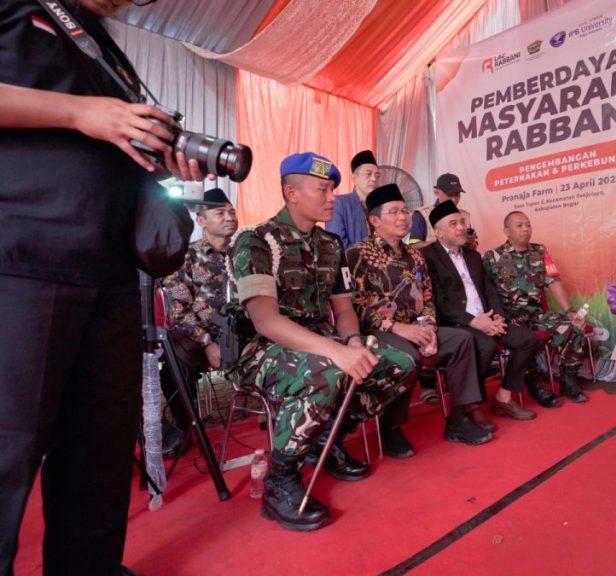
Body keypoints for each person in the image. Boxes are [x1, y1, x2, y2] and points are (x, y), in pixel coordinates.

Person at [0, 0, 211, 573]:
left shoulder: (102, 44)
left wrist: (163, 159)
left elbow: (110, 146)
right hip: (21, 261)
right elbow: (83, 121)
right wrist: (82, 113)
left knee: (99, 452)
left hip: (113, 273)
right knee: (7, 451)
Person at [230, 152, 416, 531]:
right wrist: (335, 352)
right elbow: (265, 321)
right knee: (327, 371)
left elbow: (344, 310)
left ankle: (324, 441)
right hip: (263, 348)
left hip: (323, 340)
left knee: (400, 363)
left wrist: (351, 342)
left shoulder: (330, 244)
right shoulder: (257, 240)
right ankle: (279, 482)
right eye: (322, 190)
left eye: (333, 189)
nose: (332, 197)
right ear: (292, 193)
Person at [346, 184, 495, 455]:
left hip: (417, 328)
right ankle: (390, 425)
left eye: (405, 211)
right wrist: (398, 327)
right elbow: (356, 305)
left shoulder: (415, 255)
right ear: (375, 220)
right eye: (394, 212)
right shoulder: (357, 253)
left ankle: (459, 419)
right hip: (379, 330)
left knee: (463, 340)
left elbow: (427, 296)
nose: (403, 217)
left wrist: (427, 326)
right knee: (409, 355)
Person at [421, 201, 544, 421]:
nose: (461, 227)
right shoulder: (428, 257)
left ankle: (503, 398)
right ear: (438, 232)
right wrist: (473, 322)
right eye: (453, 224)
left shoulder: (473, 256)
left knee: (527, 339)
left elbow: (490, 290)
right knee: (484, 344)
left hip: (487, 318)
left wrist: (497, 316)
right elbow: (439, 301)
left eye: (462, 222)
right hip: (456, 324)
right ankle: (471, 404)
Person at [157, 188, 237, 456]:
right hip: (198, 336)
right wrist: (207, 343)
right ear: (201, 221)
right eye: (220, 213)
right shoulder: (185, 257)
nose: (229, 218)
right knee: (175, 358)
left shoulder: (246, 254)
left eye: (231, 212)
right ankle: (184, 429)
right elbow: (179, 310)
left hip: (242, 331)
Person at [483, 212, 589, 404]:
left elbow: (553, 281)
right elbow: (486, 294)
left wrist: (569, 312)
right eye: (519, 225)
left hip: (536, 315)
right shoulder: (492, 257)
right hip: (509, 319)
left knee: (574, 327)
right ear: (507, 231)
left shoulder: (540, 252)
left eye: (528, 225)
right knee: (525, 340)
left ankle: (568, 381)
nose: (525, 229)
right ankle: (535, 385)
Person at [325, 149, 380, 250]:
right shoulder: (339, 203)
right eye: (368, 174)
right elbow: (336, 245)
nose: (374, 179)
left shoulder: (380, 208)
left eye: (377, 175)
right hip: (352, 264)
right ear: (354, 178)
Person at [410, 173, 479, 251]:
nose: (454, 199)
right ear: (436, 193)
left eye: (457, 194)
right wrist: (444, 242)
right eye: (449, 194)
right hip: (432, 262)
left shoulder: (464, 215)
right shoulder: (423, 214)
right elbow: (413, 246)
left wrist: (470, 242)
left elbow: (470, 250)